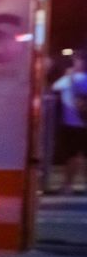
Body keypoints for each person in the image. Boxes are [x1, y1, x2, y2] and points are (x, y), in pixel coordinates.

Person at [51, 51, 87, 194]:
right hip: (82, 124)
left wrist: (68, 75)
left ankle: (67, 186)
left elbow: (54, 87)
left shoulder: (70, 79)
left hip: (72, 124)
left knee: (71, 156)